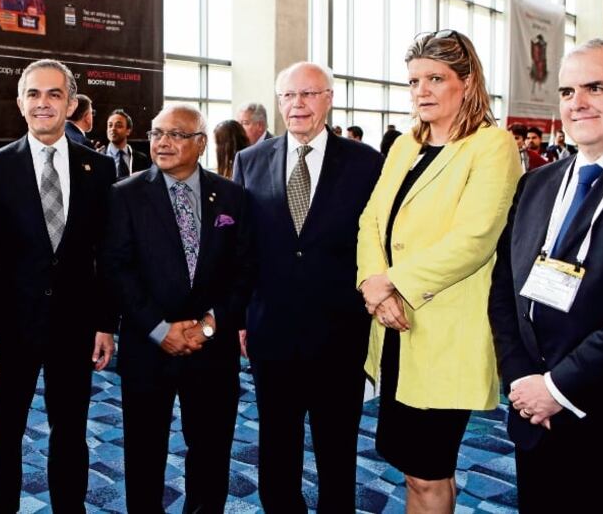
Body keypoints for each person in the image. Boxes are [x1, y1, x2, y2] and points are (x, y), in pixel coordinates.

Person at [356, 29, 520, 512]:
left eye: (435, 78)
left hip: (444, 330)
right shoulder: (407, 144)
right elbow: (371, 221)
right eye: (413, 81)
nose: (421, 91)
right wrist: (373, 286)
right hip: (392, 328)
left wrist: (394, 283)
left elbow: (475, 238)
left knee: (429, 471)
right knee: (410, 466)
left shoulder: (492, 146)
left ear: (467, 83)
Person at [488, 37, 603, 513]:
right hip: (533, 413)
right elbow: (504, 288)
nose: (578, 104)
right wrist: (524, 383)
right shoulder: (538, 183)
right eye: (568, 92)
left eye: (596, 87)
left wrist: (559, 388)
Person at [234, 62, 383, 512]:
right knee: (276, 441)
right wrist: (242, 318)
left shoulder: (366, 162)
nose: (297, 104)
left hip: (340, 331)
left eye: (308, 94)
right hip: (271, 330)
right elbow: (243, 248)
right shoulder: (250, 159)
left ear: (329, 98)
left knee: (336, 445)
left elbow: (377, 243)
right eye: (287, 96)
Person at [0, 59, 117, 512]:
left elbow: (106, 255)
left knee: (72, 430)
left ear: (71, 104)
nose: (43, 103)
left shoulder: (99, 169)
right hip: (12, 327)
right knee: (4, 430)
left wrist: (105, 323)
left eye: (54, 94)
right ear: (20, 103)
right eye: (34, 94)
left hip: (75, 326)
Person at [103, 105, 253, 512]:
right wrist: (159, 329)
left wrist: (208, 326)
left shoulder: (233, 197)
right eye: (156, 133)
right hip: (148, 347)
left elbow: (245, 270)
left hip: (212, 350)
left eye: (176, 135)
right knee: (144, 453)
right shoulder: (125, 195)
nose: (162, 142)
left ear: (201, 143)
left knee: (210, 451)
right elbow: (117, 269)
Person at [104, 108, 149, 179]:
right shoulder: (99, 156)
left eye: (118, 126)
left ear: (128, 131)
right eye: (110, 125)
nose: (113, 129)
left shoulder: (141, 159)